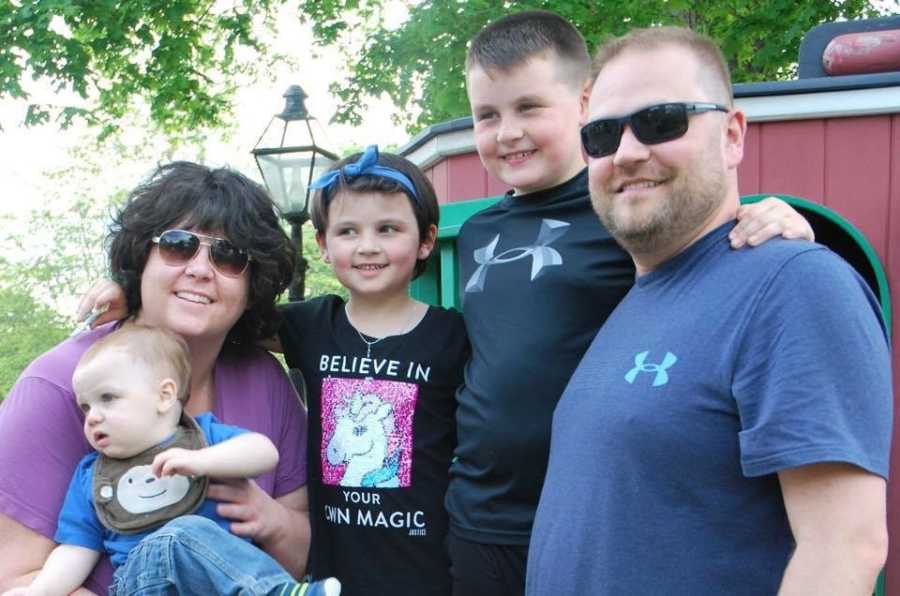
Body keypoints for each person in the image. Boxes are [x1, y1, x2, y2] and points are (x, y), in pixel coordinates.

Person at [447, 10, 816, 595]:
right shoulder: (474, 235)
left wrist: (783, 217)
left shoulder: (625, 211)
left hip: (596, 511)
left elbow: (711, 254)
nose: (508, 132)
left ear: (585, 104)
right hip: (479, 516)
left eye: (528, 108)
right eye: (487, 116)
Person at [526, 26, 892, 596]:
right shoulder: (638, 300)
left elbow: (844, 548)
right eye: (600, 135)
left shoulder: (794, 286)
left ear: (732, 135)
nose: (626, 153)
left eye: (662, 121)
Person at [71, 146, 469, 596]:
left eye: (388, 229)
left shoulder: (454, 336)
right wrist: (133, 294)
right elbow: (218, 310)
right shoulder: (311, 326)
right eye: (348, 231)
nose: (367, 245)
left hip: (424, 566)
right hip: (334, 569)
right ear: (322, 244)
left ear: (426, 240)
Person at [0, 162, 311, 594]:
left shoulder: (264, 381)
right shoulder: (57, 385)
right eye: (178, 245)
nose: (201, 269)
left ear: (251, 284)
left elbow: (299, 559)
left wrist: (271, 521)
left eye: (229, 256)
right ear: (140, 259)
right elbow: (13, 578)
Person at [2, 324, 340, 596]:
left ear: (164, 396)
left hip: (217, 584)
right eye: (86, 406)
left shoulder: (202, 437)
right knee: (179, 534)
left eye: (108, 398)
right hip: (141, 583)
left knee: (196, 536)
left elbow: (263, 452)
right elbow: (77, 549)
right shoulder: (93, 476)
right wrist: (41, 590)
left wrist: (204, 462)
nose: (92, 417)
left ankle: (274, 591)